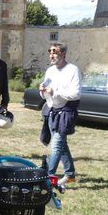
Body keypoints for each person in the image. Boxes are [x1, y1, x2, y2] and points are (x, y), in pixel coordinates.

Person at [40, 43, 81, 186]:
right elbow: (46, 93)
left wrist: (55, 92)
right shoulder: (50, 71)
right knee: (62, 144)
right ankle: (70, 174)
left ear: (63, 53)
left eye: (55, 52)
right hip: (53, 111)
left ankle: (48, 178)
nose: (51, 55)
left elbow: (76, 94)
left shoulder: (73, 70)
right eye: (50, 52)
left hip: (66, 111)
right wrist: (43, 91)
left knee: (57, 145)